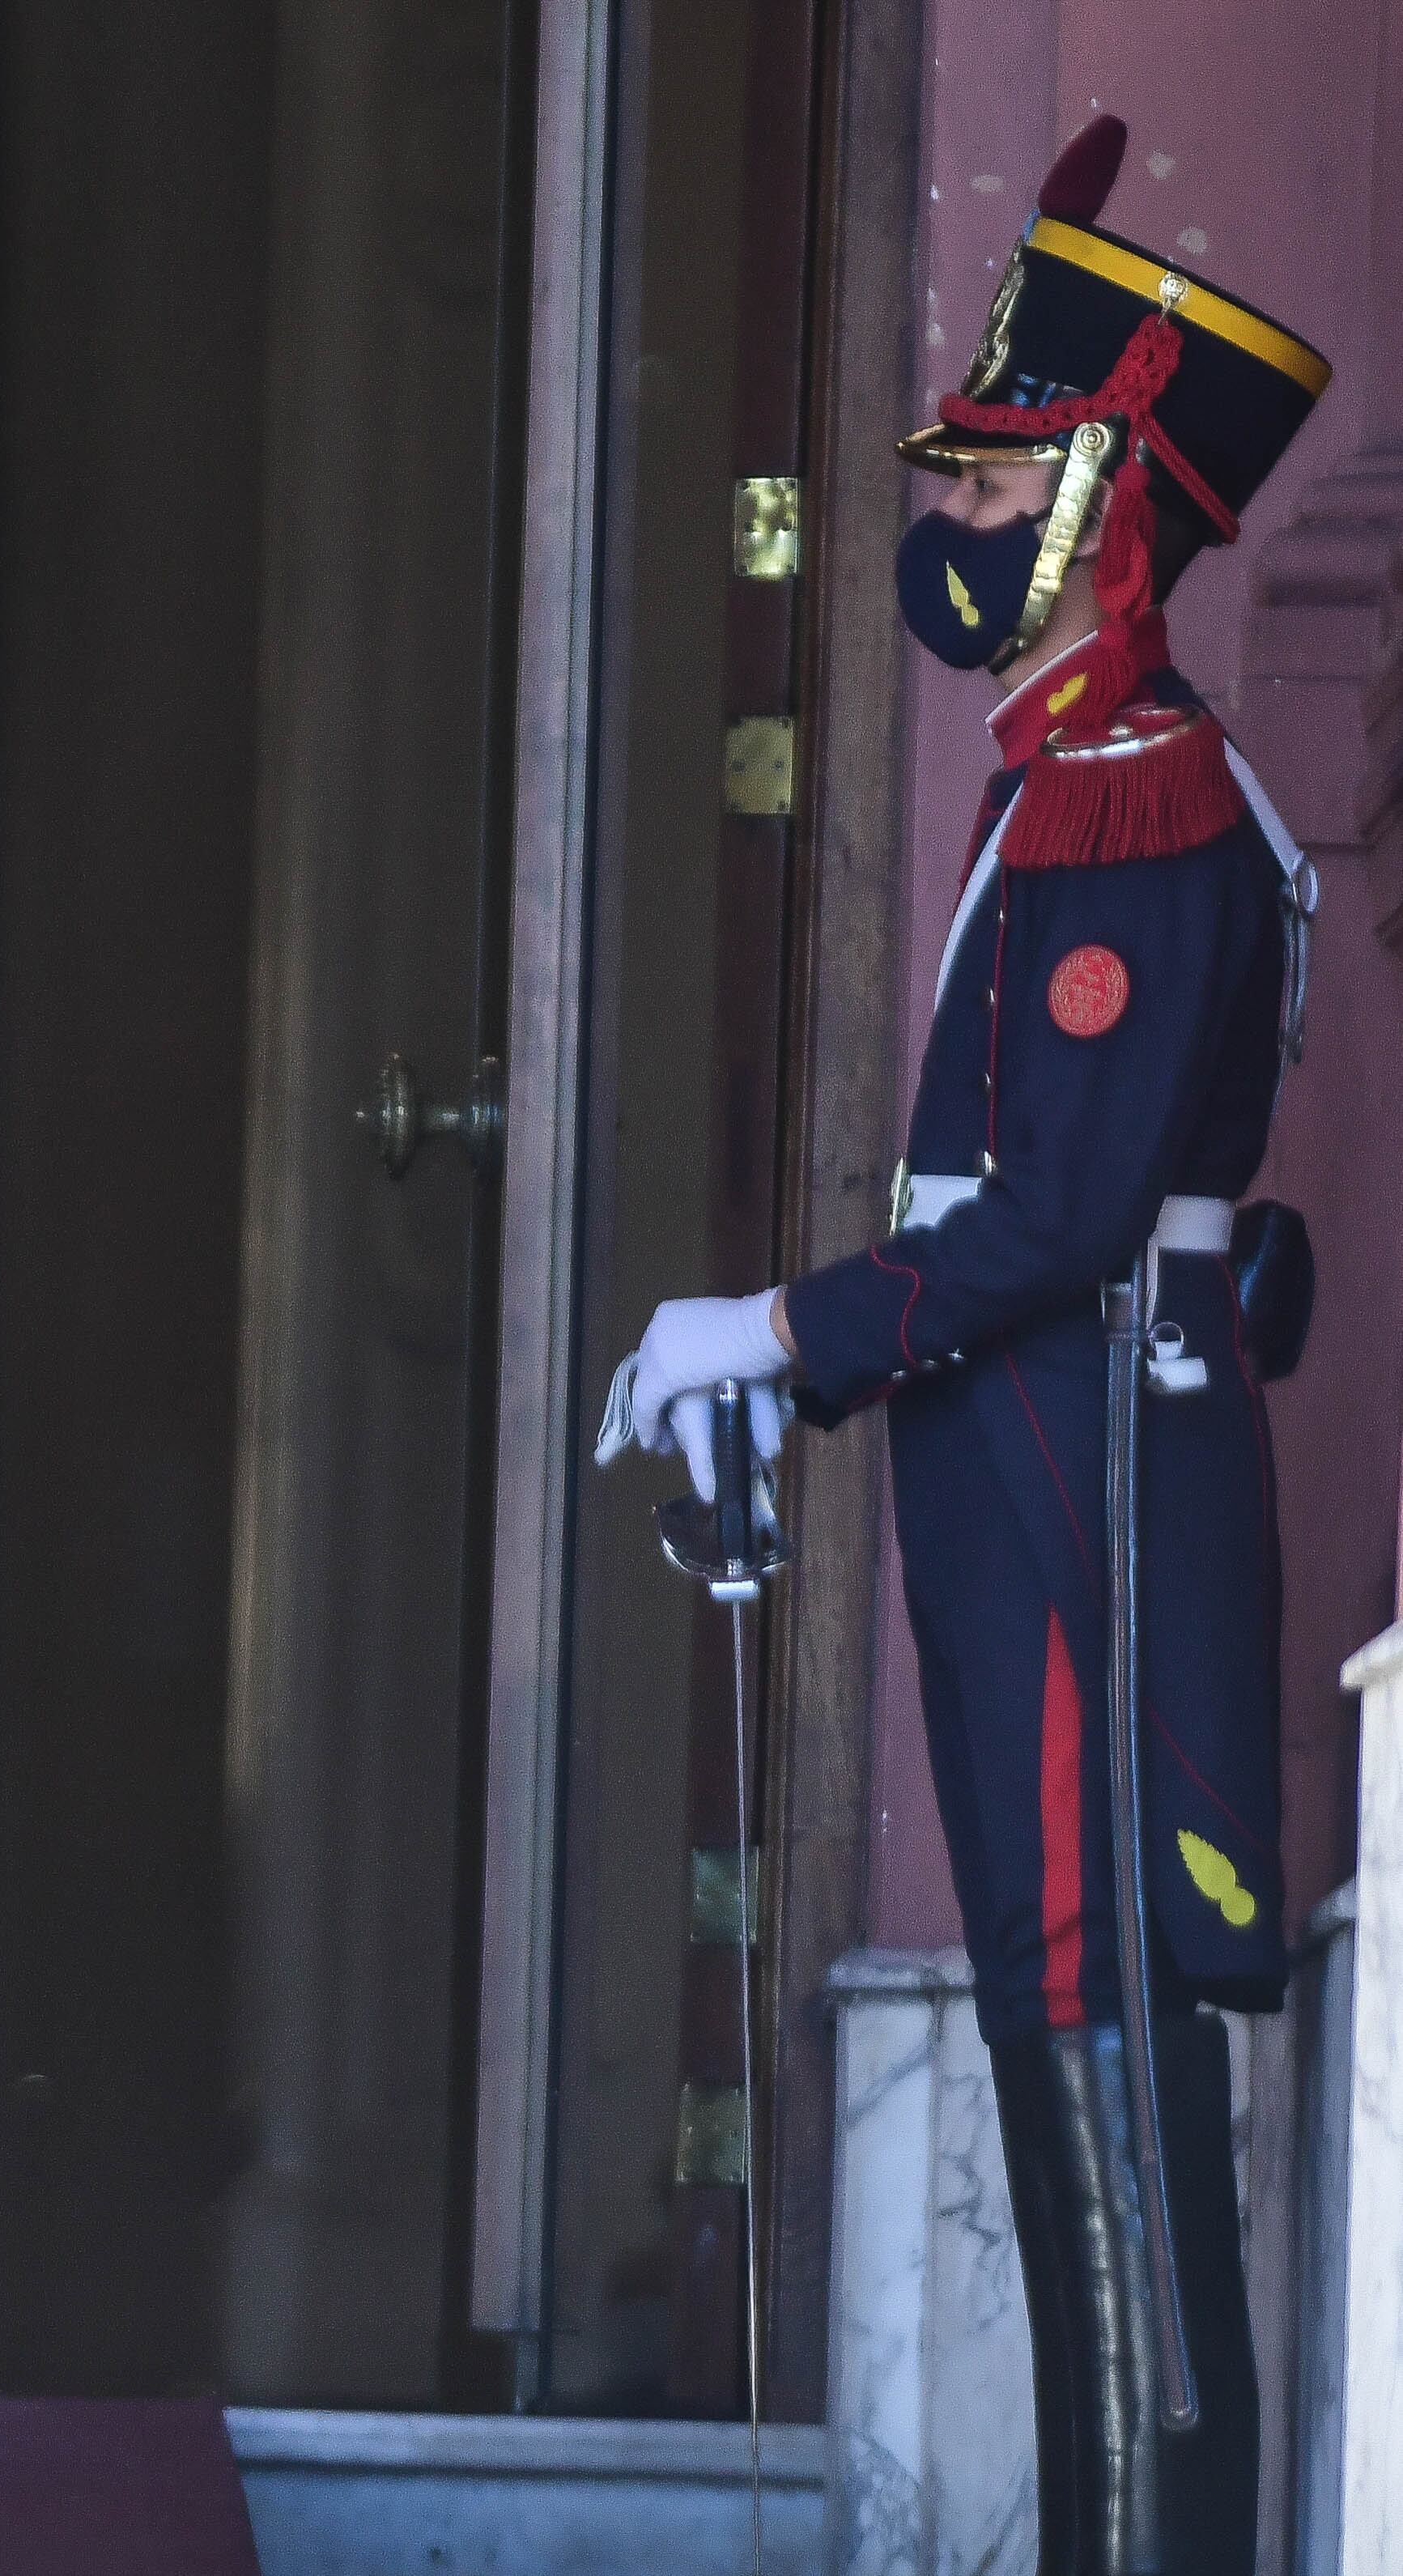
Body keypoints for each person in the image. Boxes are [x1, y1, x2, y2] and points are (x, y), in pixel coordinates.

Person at [607, 118, 1324, 2571]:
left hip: (1078, 1477)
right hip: (1021, 1459)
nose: (959, 518)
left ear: (1104, 502)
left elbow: (1064, 1220)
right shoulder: (1072, 791)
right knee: (1055, 2022)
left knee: (1087, 1996)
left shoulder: (1145, 803)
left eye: (1006, 474)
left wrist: (774, 1329)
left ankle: (1158, 2541)